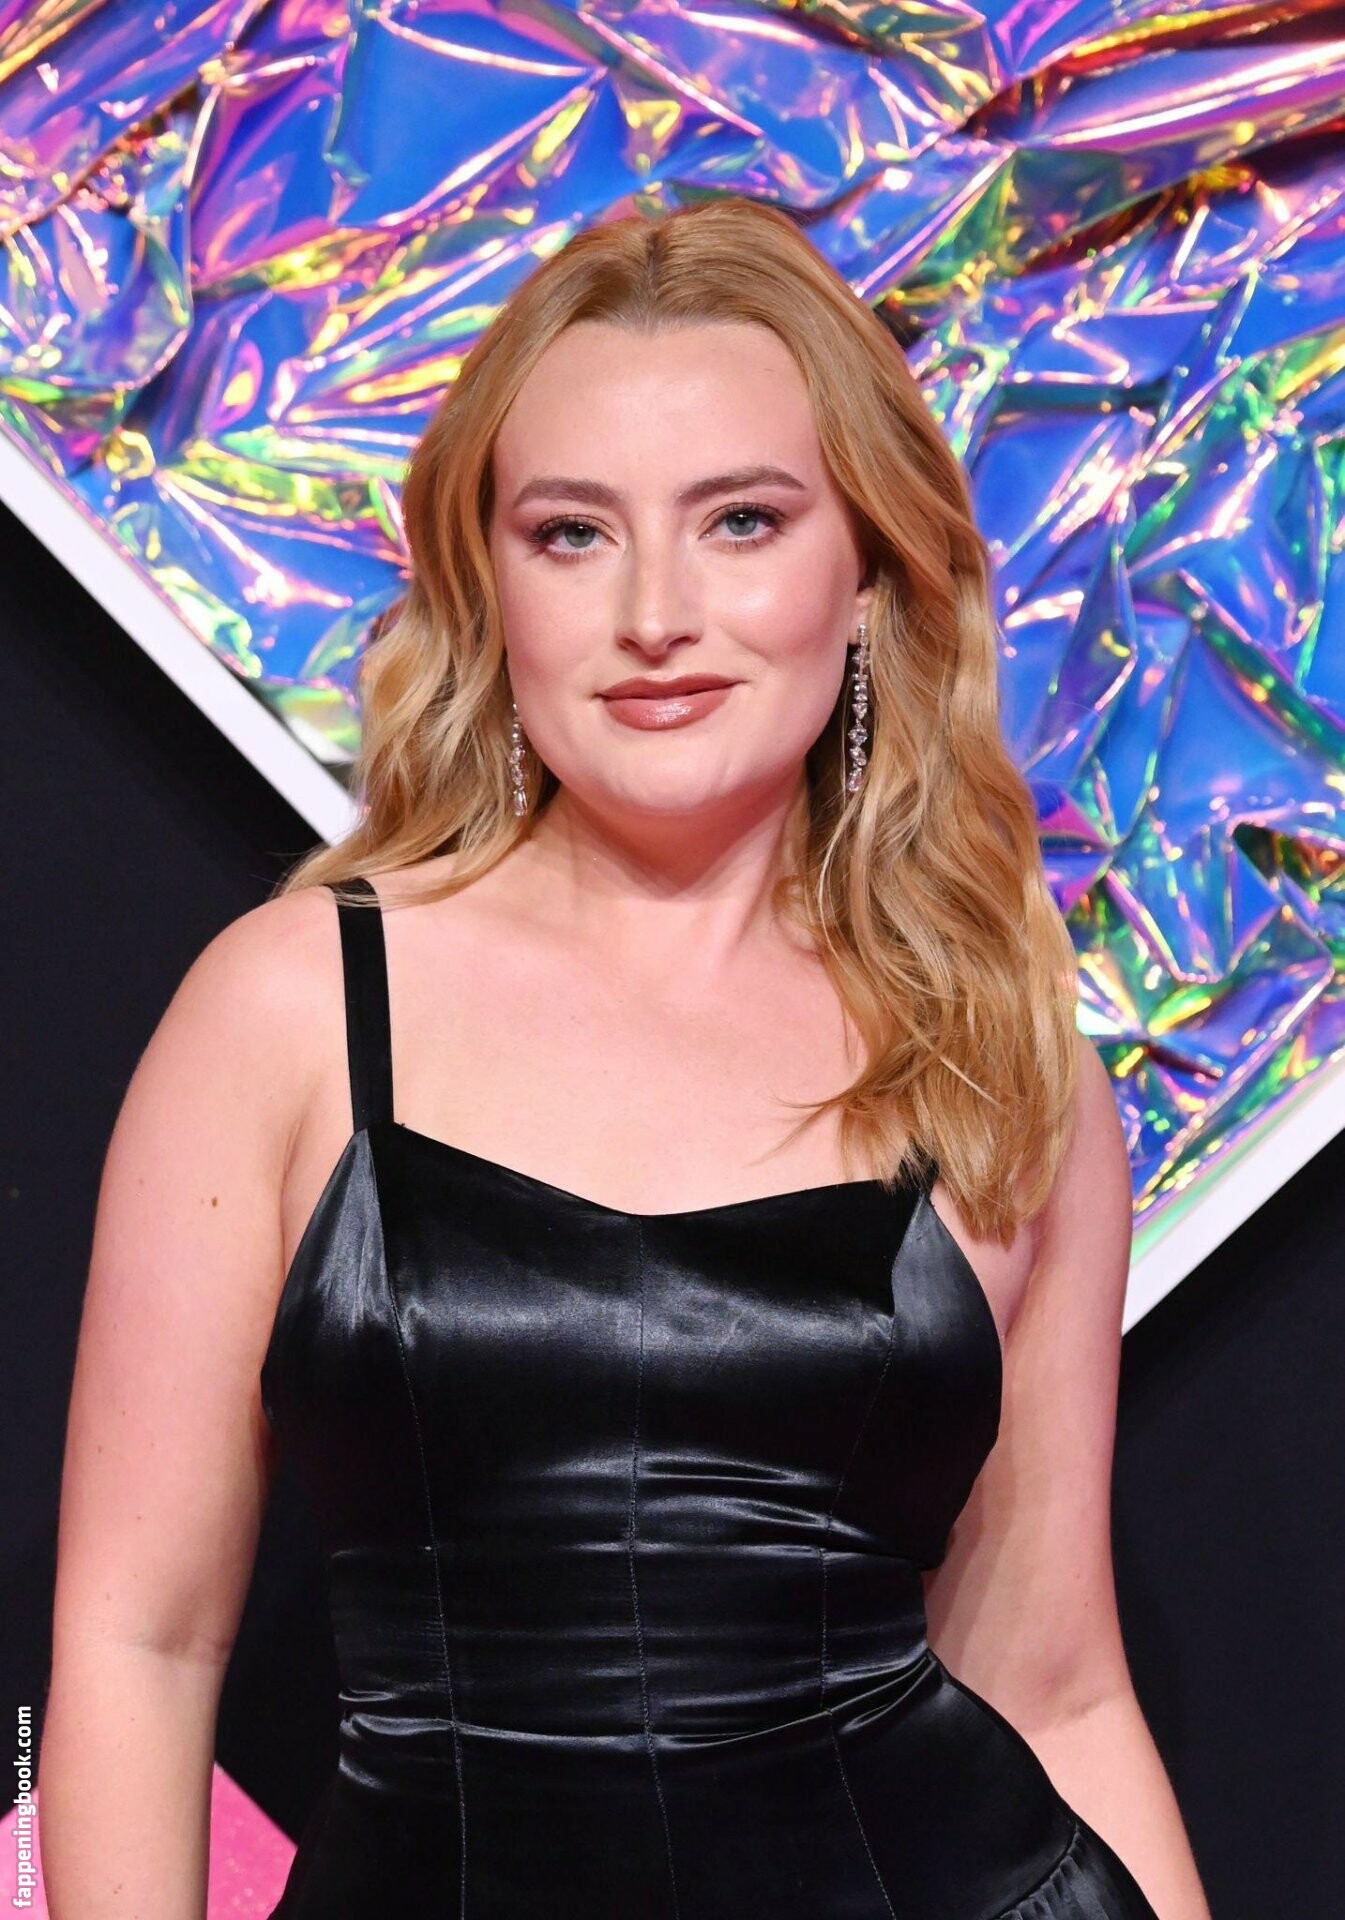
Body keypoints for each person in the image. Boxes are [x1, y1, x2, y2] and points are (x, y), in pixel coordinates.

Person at [38, 197, 1211, 1918]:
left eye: (741, 521)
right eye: (572, 533)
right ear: (488, 584)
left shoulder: (994, 1046)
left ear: (865, 576)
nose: (656, 612)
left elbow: (1054, 1681)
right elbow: (136, 1643)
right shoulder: (289, 1008)